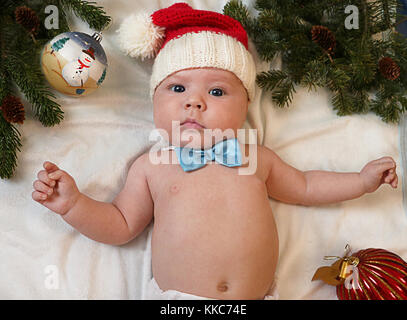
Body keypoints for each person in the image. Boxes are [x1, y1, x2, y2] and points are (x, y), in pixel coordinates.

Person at [32, 3, 398, 300]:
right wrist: (74, 205)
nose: (194, 102)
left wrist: (361, 181)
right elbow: (121, 225)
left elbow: (305, 186)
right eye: (177, 89)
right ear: (154, 102)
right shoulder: (151, 167)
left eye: (218, 92)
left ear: (245, 108)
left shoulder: (257, 157)